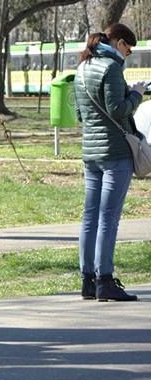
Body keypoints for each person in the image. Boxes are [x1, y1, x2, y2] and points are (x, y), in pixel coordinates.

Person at [73, 23, 143, 302]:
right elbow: (117, 109)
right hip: (115, 153)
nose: (128, 54)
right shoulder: (112, 67)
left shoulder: (82, 68)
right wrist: (136, 94)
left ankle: (88, 280)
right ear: (118, 43)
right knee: (108, 219)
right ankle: (105, 280)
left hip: (90, 153)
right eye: (128, 47)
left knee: (90, 217)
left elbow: (80, 114)